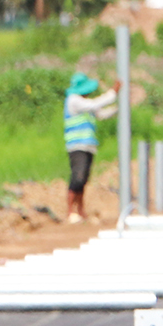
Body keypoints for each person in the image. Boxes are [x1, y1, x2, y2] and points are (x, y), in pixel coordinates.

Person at [62, 72, 120, 224]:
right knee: (78, 177)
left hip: (88, 146)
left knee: (84, 179)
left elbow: (100, 113)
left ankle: (80, 211)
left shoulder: (84, 103)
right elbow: (95, 105)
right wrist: (112, 92)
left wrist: (118, 108)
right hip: (77, 146)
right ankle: (70, 212)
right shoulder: (74, 101)